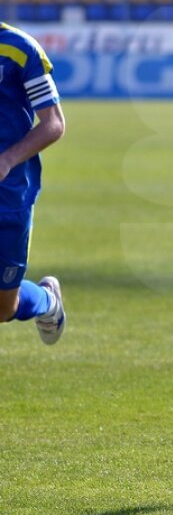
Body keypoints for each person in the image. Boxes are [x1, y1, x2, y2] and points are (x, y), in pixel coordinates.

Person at [0, 22, 67, 345]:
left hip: (9, 193)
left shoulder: (18, 48)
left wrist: (8, 159)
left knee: (3, 307)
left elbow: (54, 123)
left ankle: (47, 301)